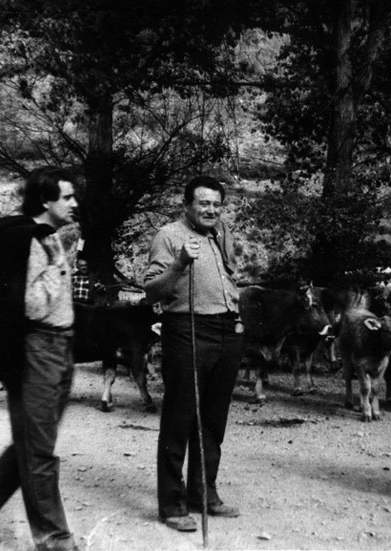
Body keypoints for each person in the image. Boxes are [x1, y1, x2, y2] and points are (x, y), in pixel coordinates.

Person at [0, 166, 80, 550]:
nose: (75, 203)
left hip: (60, 347)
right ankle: (54, 538)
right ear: (46, 200)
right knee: (39, 449)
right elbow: (31, 306)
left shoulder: (49, 238)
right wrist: (62, 263)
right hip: (37, 349)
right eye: (68, 197)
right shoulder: (29, 239)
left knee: (31, 441)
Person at [144, 175, 243, 533]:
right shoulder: (169, 236)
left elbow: (229, 274)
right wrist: (179, 263)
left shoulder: (221, 232)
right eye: (204, 204)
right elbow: (152, 292)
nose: (211, 210)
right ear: (187, 204)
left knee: (213, 419)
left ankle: (204, 493)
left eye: (216, 204)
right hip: (187, 329)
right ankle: (171, 505)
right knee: (180, 417)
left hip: (226, 330)